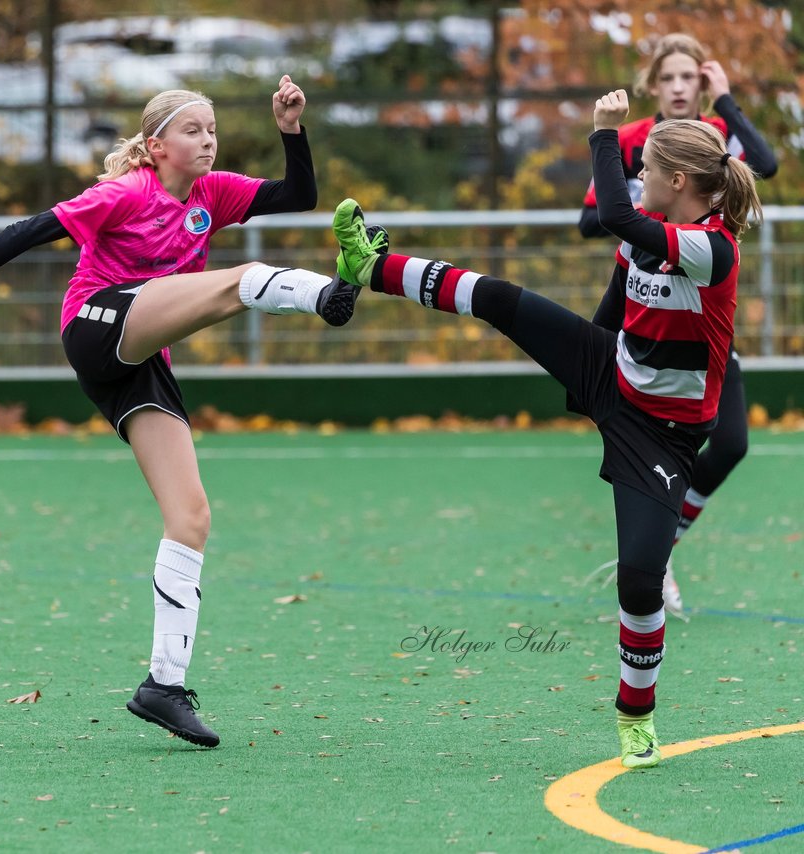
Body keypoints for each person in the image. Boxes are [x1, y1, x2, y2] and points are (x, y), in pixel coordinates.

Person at [0, 76, 369, 748]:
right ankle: (326, 297)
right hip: (95, 329)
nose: (207, 140)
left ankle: (163, 686)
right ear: (155, 147)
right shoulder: (127, 192)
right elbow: (31, 230)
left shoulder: (213, 194)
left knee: (191, 517)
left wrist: (291, 132)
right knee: (240, 284)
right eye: (193, 130)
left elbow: (299, 196)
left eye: (212, 129)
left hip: (139, 361)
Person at [331, 89, 761, 768]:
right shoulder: (644, 242)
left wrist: (602, 133)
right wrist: (579, 374)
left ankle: (635, 716)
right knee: (503, 300)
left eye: (645, 168)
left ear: (679, 183)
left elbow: (614, 213)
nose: (639, 177)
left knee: (640, 580)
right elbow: (609, 314)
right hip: (611, 375)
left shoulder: (713, 250)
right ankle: (371, 265)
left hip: (665, 435)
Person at [578, 33, 777, 619]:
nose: (680, 87)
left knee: (733, 442)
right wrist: (646, 218)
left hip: (701, 319)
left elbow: (763, 167)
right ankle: (652, 556)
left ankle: (660, 549)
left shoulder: (713, 139)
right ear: (654, 86)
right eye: (670, 78)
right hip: (648, 307)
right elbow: (596, 219)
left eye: (692, 77)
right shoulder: (638, 137)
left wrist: (730, 100)